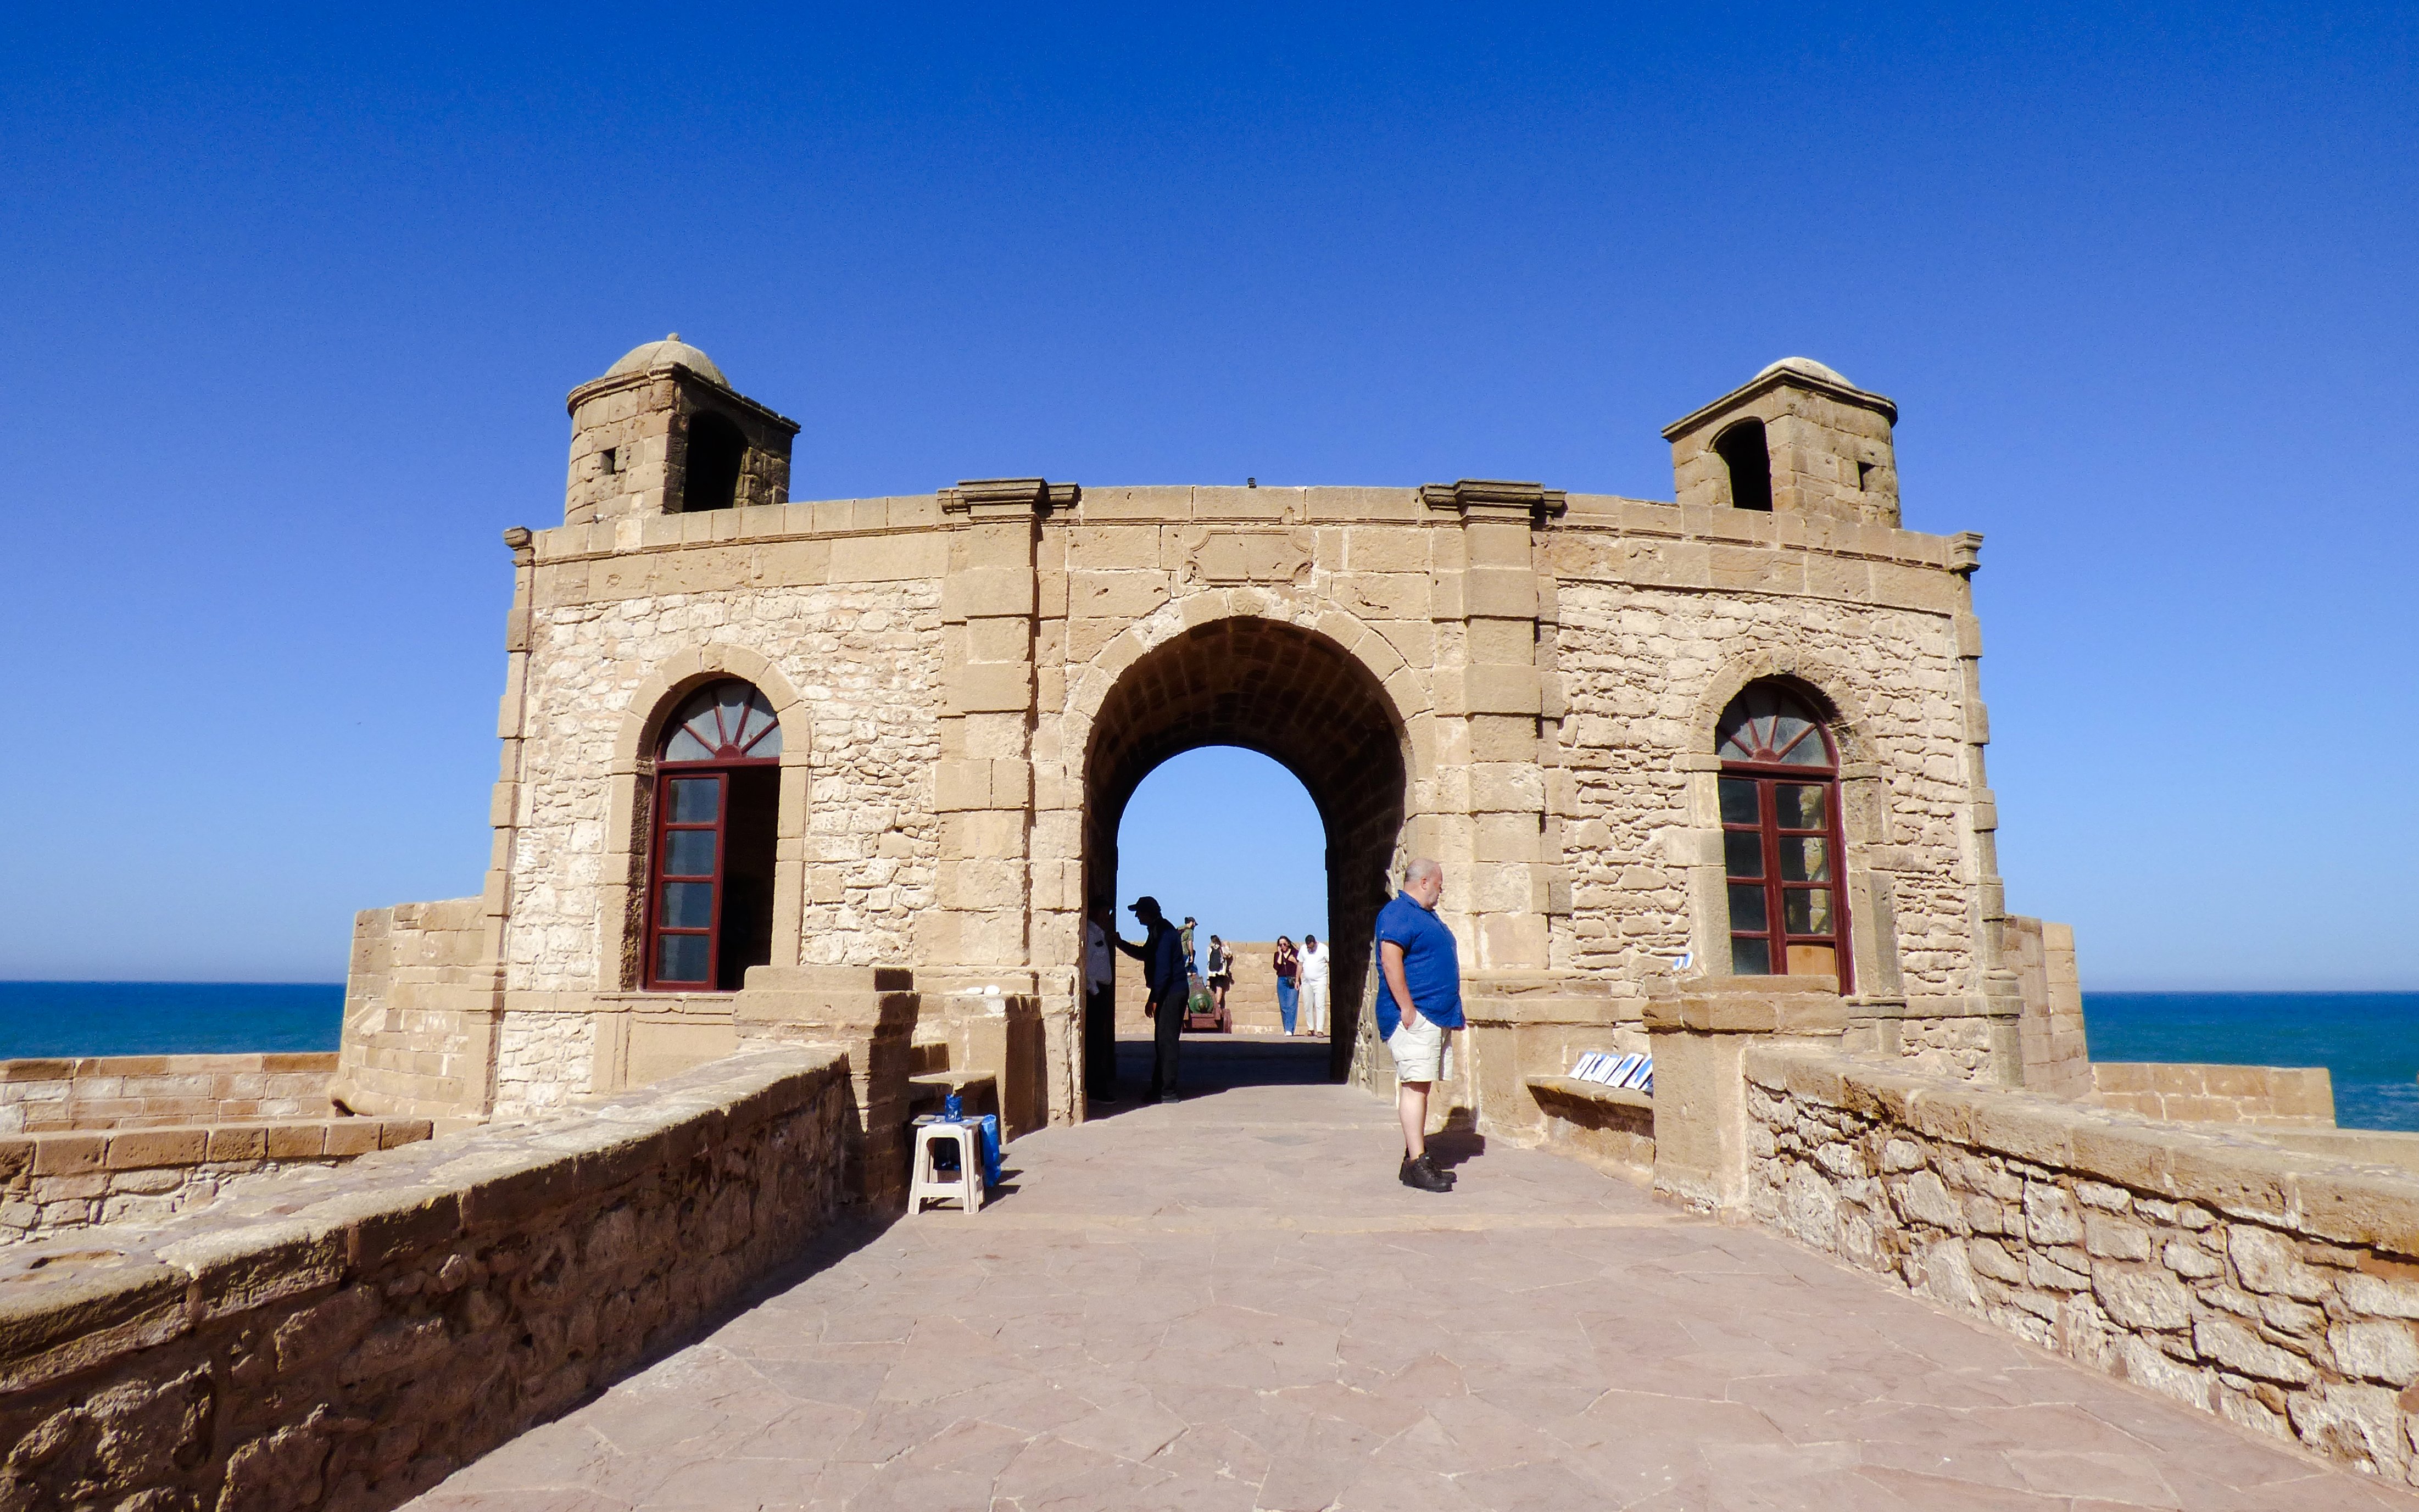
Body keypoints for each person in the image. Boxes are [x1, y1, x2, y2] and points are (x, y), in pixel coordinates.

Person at [1376, 859, 1462, 1193]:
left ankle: (1414, 1157)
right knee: (1414, 1086)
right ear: (1424, 882)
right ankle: (1417, 1163)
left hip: (1434, 1015)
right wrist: (1407, 1008)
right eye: (1439, 885)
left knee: (1421, 1085)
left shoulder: (1424, 916)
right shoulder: (1398, 913)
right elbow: (1390, 959)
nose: (1442, 891)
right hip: (1417, 1016)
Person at [1115, 896, 1189, 1102]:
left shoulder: (1164, 932)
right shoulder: (1157, 931)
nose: (1137, 916)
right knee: (1162, 1042)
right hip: (1167, 990)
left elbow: (1164, 971)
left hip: (1172, 992)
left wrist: (1154, 998)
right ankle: (1160, 1088)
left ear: (1149, 913)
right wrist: (1121, 944)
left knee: (1168, 1042)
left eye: (1139, 912)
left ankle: (1168, 1090)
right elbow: (1146, 954)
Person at [1083, 905, 1118, 1103]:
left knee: (1099, 1042)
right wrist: (1095, 992)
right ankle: (1096, 1087)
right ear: (1097, 913)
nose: (1109, 916)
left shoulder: (1100, 934)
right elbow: (1085, 965)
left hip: (1101, 991)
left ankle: (1098, 1084)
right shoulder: (1089, 933)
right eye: (1107, 912)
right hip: (1094, 992)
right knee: (1095, 1043)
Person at [1297, 933, 1330, 1036]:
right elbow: (1300, 964)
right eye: (1308, 947)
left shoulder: (1324, 949)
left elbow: (1329, 963)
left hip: (1320, 981)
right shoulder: (1303, 950)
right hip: (1307, 981)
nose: (1310, 949)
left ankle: (1320, 1029)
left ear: (1315, 943)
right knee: (1308, 1005)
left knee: (1320, 1005)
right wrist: (1297, 979)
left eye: (1311, 947)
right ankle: (1311, 1028)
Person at [1272, 936, 1300, 1035]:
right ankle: (1286, 1028)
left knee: (1292, 1005)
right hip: (1282, 980)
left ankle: (1290, 1029)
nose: (1283, 946)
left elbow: (1301, 966)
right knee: (1284, 1006)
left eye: (1284, 944)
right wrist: (1280, 954)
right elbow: (1277, 967)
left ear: (1288, 943)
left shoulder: (1295, 953)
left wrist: (1294, 961)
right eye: (1280, 945)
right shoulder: (1277, 955)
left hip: (1293, 980)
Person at [1205, 934, 1232, 1019]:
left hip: (1211, 972)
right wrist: (1226, 946)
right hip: (1220, 972)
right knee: (1219, 989)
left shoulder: (1210, 949)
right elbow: (1229, 955)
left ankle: (1211, 1005)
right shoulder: (1222, 949)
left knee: (1211, 989)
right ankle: (1218, 1005)